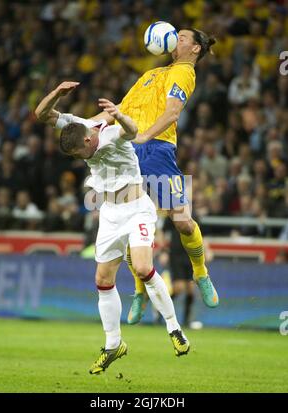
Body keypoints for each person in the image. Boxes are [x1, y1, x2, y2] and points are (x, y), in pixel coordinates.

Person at [35, 81, 190, 375]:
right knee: (103, 279)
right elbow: (42, 115)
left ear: (88, 140)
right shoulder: (81, 126)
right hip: (109, 213)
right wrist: (55, 93)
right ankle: (113, 345)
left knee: (144, 268)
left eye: (81, 153)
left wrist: (119, 114)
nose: (82, 159)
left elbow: (133, 132)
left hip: (137, 209)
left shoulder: (111, 134)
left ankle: (174, 328)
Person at [91, 29, 220, 324]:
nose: (177, 37)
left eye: (184, 36)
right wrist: (82, 125)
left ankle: (201, 273)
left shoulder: (184, 72)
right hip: (128, 152)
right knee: (128, 223)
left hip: (157, 151)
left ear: (196, 49)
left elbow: (173, 113)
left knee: (183, 220)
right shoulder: (150, 74)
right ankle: (139, 292)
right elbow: (117, 112)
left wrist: (144, 135)